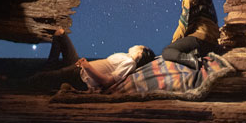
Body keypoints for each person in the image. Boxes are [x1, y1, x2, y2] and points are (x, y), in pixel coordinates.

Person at [24, 28, 154, 92]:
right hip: (80, 66)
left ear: (140, 53)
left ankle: (16, 84)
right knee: (60, 34)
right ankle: (48, 68)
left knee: (40, 78)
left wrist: (87, 66)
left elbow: (107, 82)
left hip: (82, 75)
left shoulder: (130, 63)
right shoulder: (126, 57)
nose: (136, 45)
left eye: (140, 46)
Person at [161, 0, 219, 70]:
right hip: (213, 40)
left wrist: (174, 41)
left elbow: (184, 25)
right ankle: (195, 52)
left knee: (167, 51)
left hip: (200, 38)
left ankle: (191, 60)